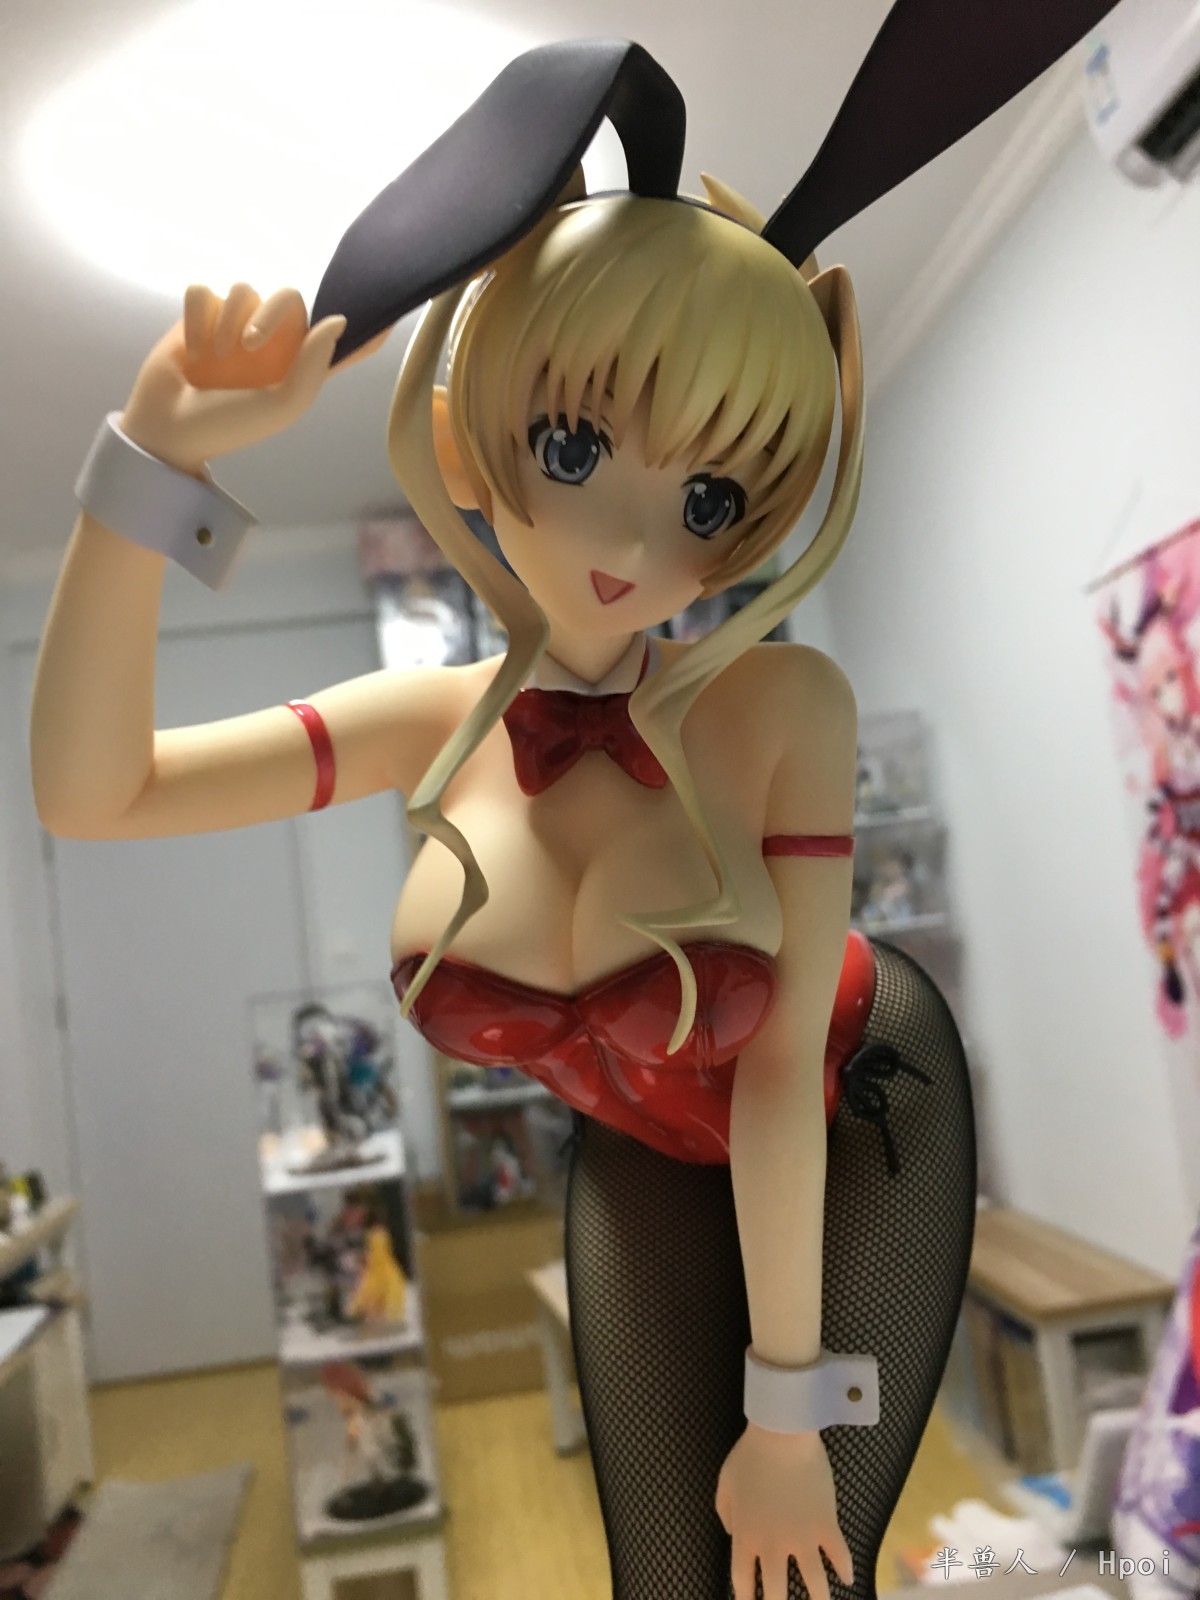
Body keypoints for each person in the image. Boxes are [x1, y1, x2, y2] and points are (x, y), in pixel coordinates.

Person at [29, 6, 1117, 1594]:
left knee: (798, 1561)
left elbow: (775, 1075)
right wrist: (151, 469)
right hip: (636, 1141)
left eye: (708, 495)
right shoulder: (427, 721)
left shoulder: (780, 712)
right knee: (662, 1574)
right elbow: (95, 792)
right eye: (574, 441)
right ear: (477, 438)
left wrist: (789, 1409)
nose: (627, 539)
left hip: (854, 1097)